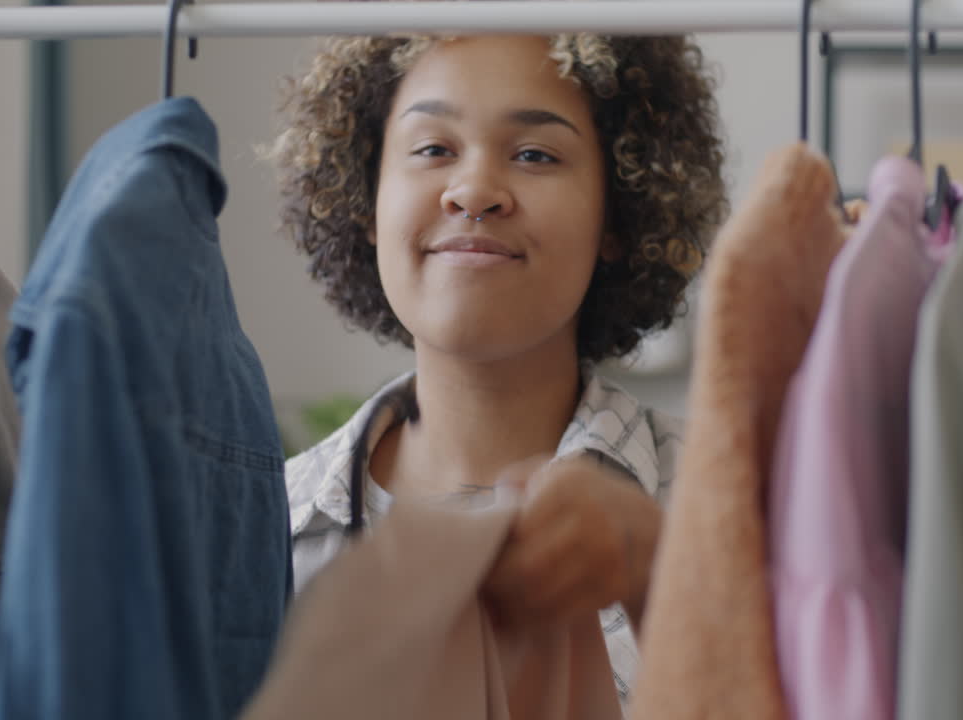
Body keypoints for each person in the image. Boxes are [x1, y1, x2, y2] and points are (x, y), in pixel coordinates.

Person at [268, 32, 727, 702]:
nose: (475, 190)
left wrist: (655, 576)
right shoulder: (264, 533)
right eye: (432, 149)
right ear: (367, 202)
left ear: (618, 217)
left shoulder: (732, 505)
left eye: (535, 154)